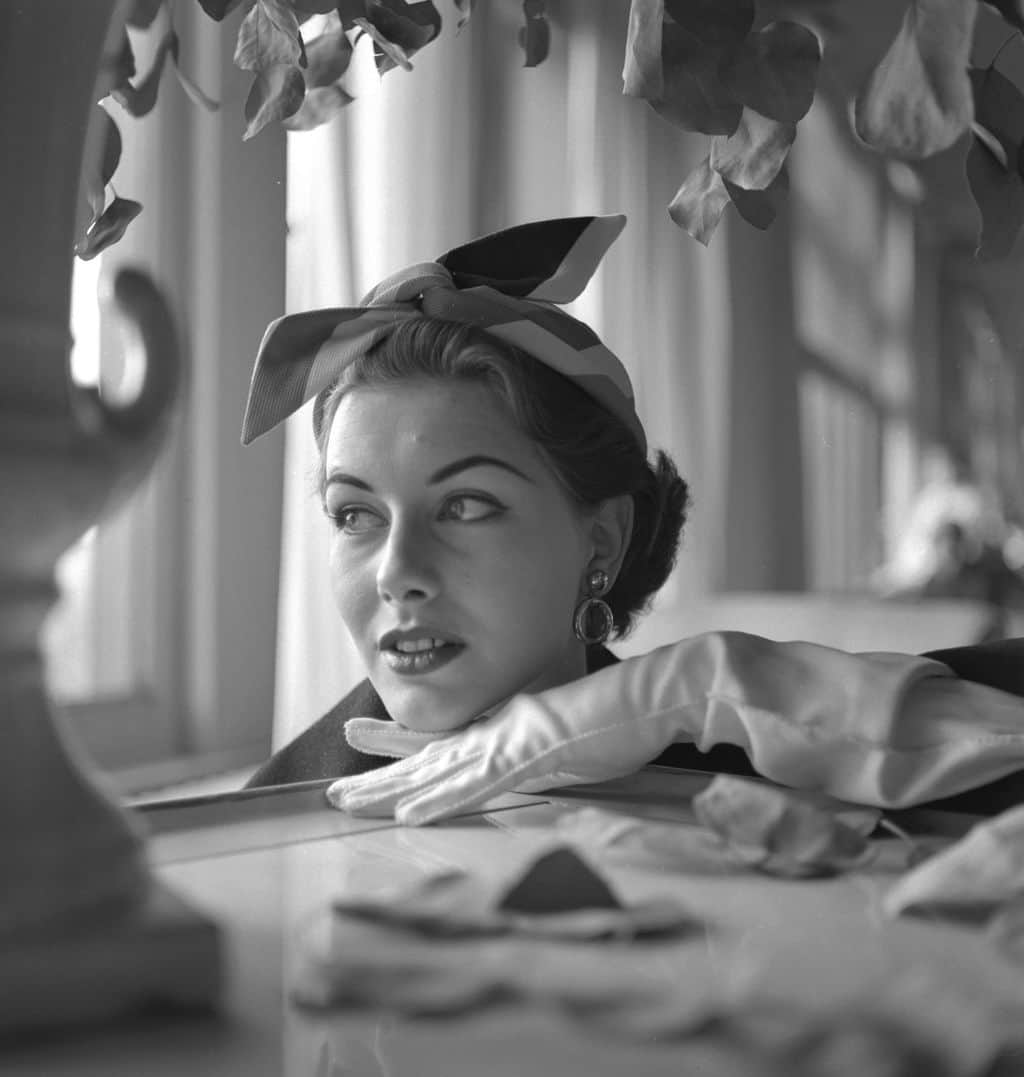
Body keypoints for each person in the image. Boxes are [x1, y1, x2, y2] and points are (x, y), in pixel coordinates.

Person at [240, 215, 1024, 825]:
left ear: (602, 540)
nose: (397, 572)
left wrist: (696, 685)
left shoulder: (744, 753)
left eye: (466, 505)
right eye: (355, 514)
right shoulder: (250, 827)